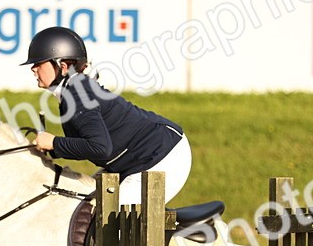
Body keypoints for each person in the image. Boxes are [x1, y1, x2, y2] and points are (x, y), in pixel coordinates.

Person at [21, 26, 191, 206]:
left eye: (39, 63)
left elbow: (100, 148)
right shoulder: (73, 90)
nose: (33, 69)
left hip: (163, 157)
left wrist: (54, 142)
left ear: (62, 66)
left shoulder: (78, 94)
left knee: (109, 217)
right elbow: (87, 145)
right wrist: (53, 148)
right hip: (137, 159)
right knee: (84, 204)